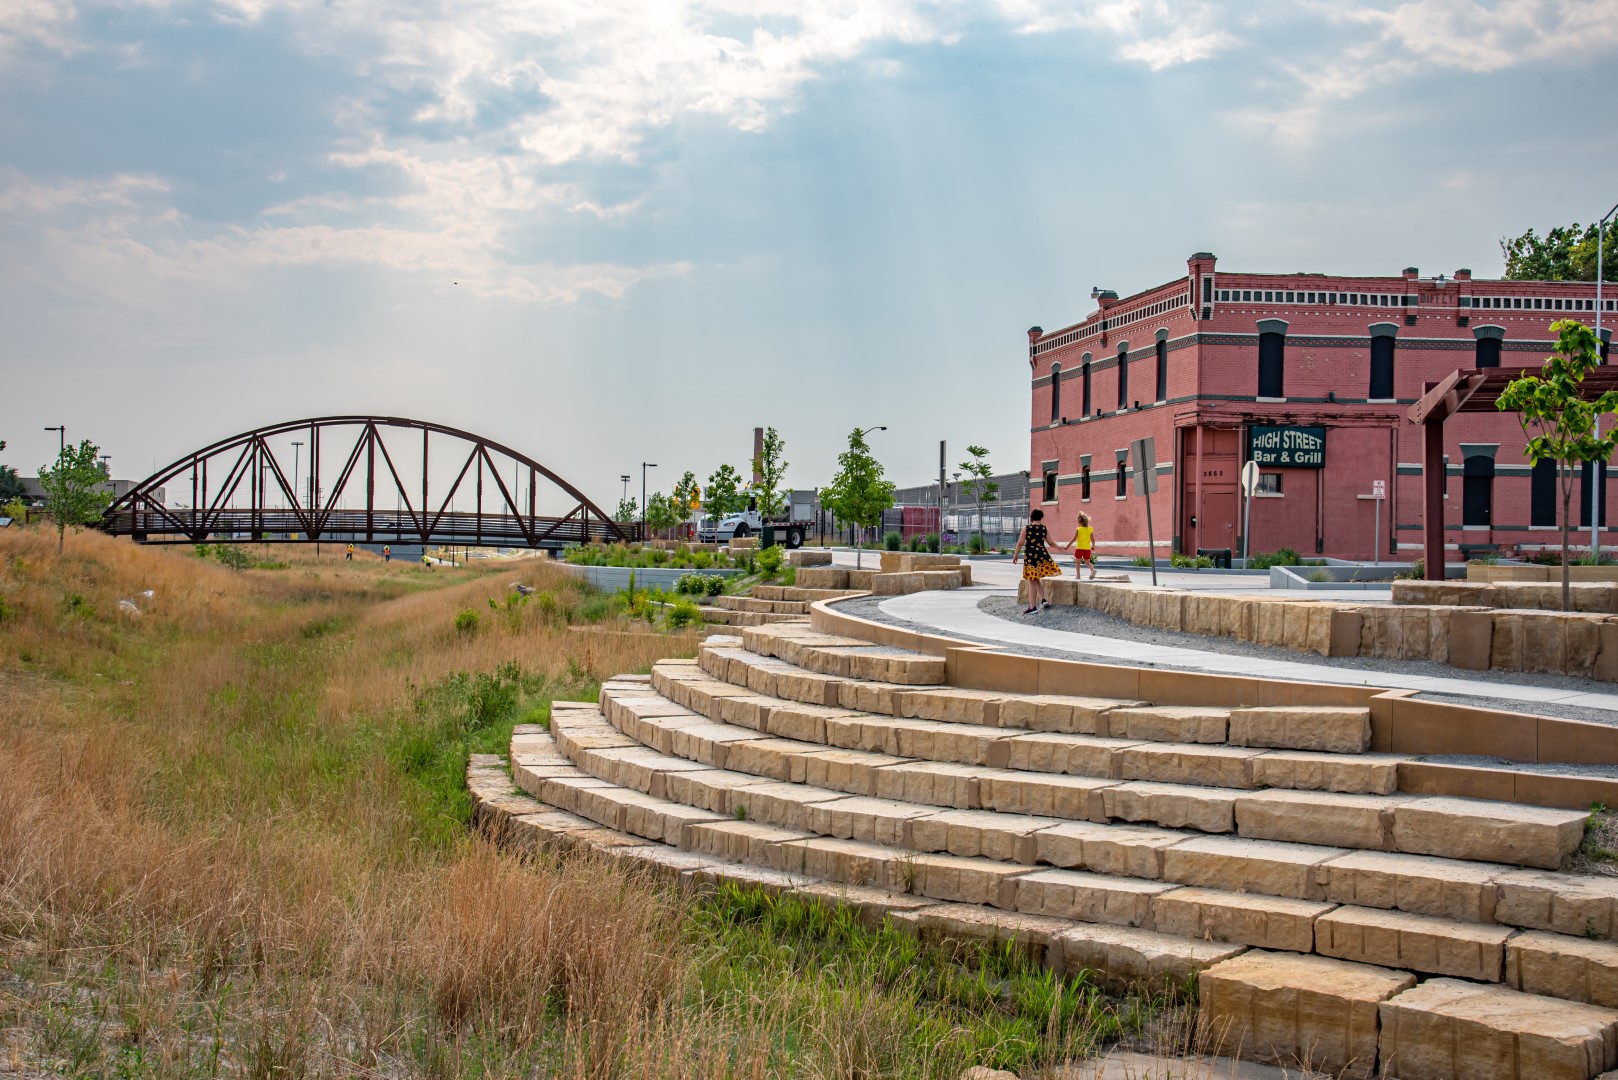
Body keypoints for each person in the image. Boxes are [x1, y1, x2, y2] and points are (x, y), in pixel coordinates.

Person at [1011, 508, 1062, 615]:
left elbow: (1020, 543)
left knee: (1031, 581)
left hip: (1031, 558)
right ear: (1041, 518)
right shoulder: (1044, 528)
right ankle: (1043, 600)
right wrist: (1060, 548)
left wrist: (1015, 555)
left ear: (1031, 518)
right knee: (1036, 579)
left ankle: (1032, 607)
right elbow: (1051, 543)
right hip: (1042, 556)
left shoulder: (1027, 528)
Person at [1068, 511, 1097, 580]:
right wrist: (1093, 546)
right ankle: (1092, 570)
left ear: (1079, 522)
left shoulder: (1078, 529)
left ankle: (1078, 576)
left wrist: (1067, 546)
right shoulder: (1090, 529)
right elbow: (1093, 539)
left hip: (1079, 548)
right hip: (1087, 549)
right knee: (1088, 562)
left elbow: (1073, 539)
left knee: (1078, 563)